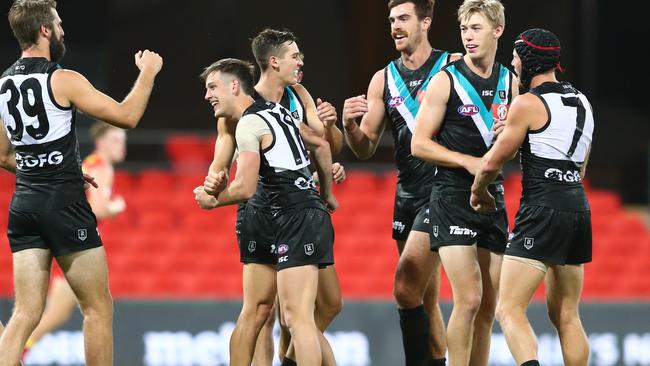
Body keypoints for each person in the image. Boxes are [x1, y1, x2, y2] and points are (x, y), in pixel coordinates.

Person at [0, 1, 163, 365]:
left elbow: (2, 155)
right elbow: (127, 116)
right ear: (43, 30)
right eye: (57, 24)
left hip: (24, 205)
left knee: (24, 313)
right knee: (97, 308)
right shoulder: (62, 78)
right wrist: (149, 73)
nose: (61, 30)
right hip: (64, 205)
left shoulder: (3, 85)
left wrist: (48, 170)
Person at [202, 28, 343, 366]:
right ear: (273, 61)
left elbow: (326, 143)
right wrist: (215, 177)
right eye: (295, 55)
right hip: (261, 207)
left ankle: (291, 359)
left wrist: (333, 140)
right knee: (269, 313)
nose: (301, 61)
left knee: (316, 307)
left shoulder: (298, 96)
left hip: (294, 202)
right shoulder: (245, 103)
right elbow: (225, 151)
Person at [342, 1, 459, 364]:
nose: (395, 26)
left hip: (442, 192)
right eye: (392, 20)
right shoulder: (384, 78)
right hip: (406, 194)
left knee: (405, 285)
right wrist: (348, 126)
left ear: (426, 21)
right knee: (424, 299)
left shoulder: (452, 66)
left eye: (404, 18)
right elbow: (364, 147)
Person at [471, 28, 593, 366]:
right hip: (578, 208)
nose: (512, 65)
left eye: (515, 59)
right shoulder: (583, 102)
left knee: (508, 309)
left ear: (527, 61)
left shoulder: (526, 103)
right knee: (567, 315)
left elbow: (494, 163)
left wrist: (478, 192)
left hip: (542, 209)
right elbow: (580, 167)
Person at [410, 0, 517, 365]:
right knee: (468, 299)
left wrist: (514, 136)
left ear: (497, 30)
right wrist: (468, 162)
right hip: (452, 195)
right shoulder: (446, 79)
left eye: (476, 28)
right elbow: (419, 143)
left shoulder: (511, 81)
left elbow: (523, 144)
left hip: (493, 197)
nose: (468, 37)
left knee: (489, 306)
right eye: (464, 30)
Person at [23, 122, 127, 357]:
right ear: (101, 143)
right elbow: (99, 209)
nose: (121, 147)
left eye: (122, 142)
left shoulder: (89, 163)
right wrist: (117, 206)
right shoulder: (101, 166)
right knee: (95, 309)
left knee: (55, 312)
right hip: (74, 242)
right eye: (115, 141)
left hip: (63, 235)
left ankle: (18, 349)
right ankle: (15, 350)